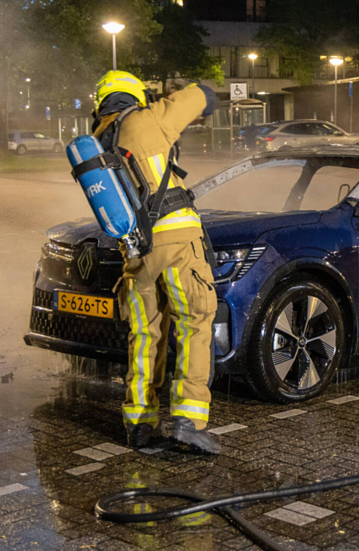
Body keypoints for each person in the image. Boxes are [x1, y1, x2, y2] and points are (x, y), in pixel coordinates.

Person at [90, 70, 221, 452]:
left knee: (146, 334)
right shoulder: (148, 119)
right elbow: (205, 96)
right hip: (177, 241)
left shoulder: (98, 142)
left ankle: (139, 424)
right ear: (135, 96)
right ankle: (187, 421)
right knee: (195, 322)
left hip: (134, 252)